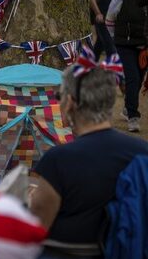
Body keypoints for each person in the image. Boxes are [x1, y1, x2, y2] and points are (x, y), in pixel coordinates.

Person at [30, 56, 148, 245]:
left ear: (69, 102)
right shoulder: (143, 152)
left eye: (59, 97)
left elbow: (36, 225)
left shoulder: (58, 160)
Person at [106, 0, 147, 132]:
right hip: (126, 44)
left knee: (138, 81)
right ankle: (133, 116)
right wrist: (117, 37)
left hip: (144, 46)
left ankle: (127, 107)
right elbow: (110, 18)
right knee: (132, 79)